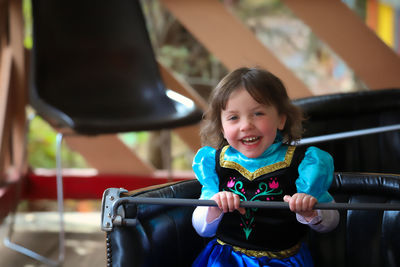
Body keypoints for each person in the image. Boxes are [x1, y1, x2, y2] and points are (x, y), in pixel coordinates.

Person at [191, 67, 340, 267]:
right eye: (233, 117)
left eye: (258, 113)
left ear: (281, 119)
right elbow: (202, 229)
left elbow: (332, 222)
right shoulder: (214, 163)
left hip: (284, 261)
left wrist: (312, 213)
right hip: (227, 260)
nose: (245, 126)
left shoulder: (305, 163)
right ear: (221, 128)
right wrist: (214, 207)